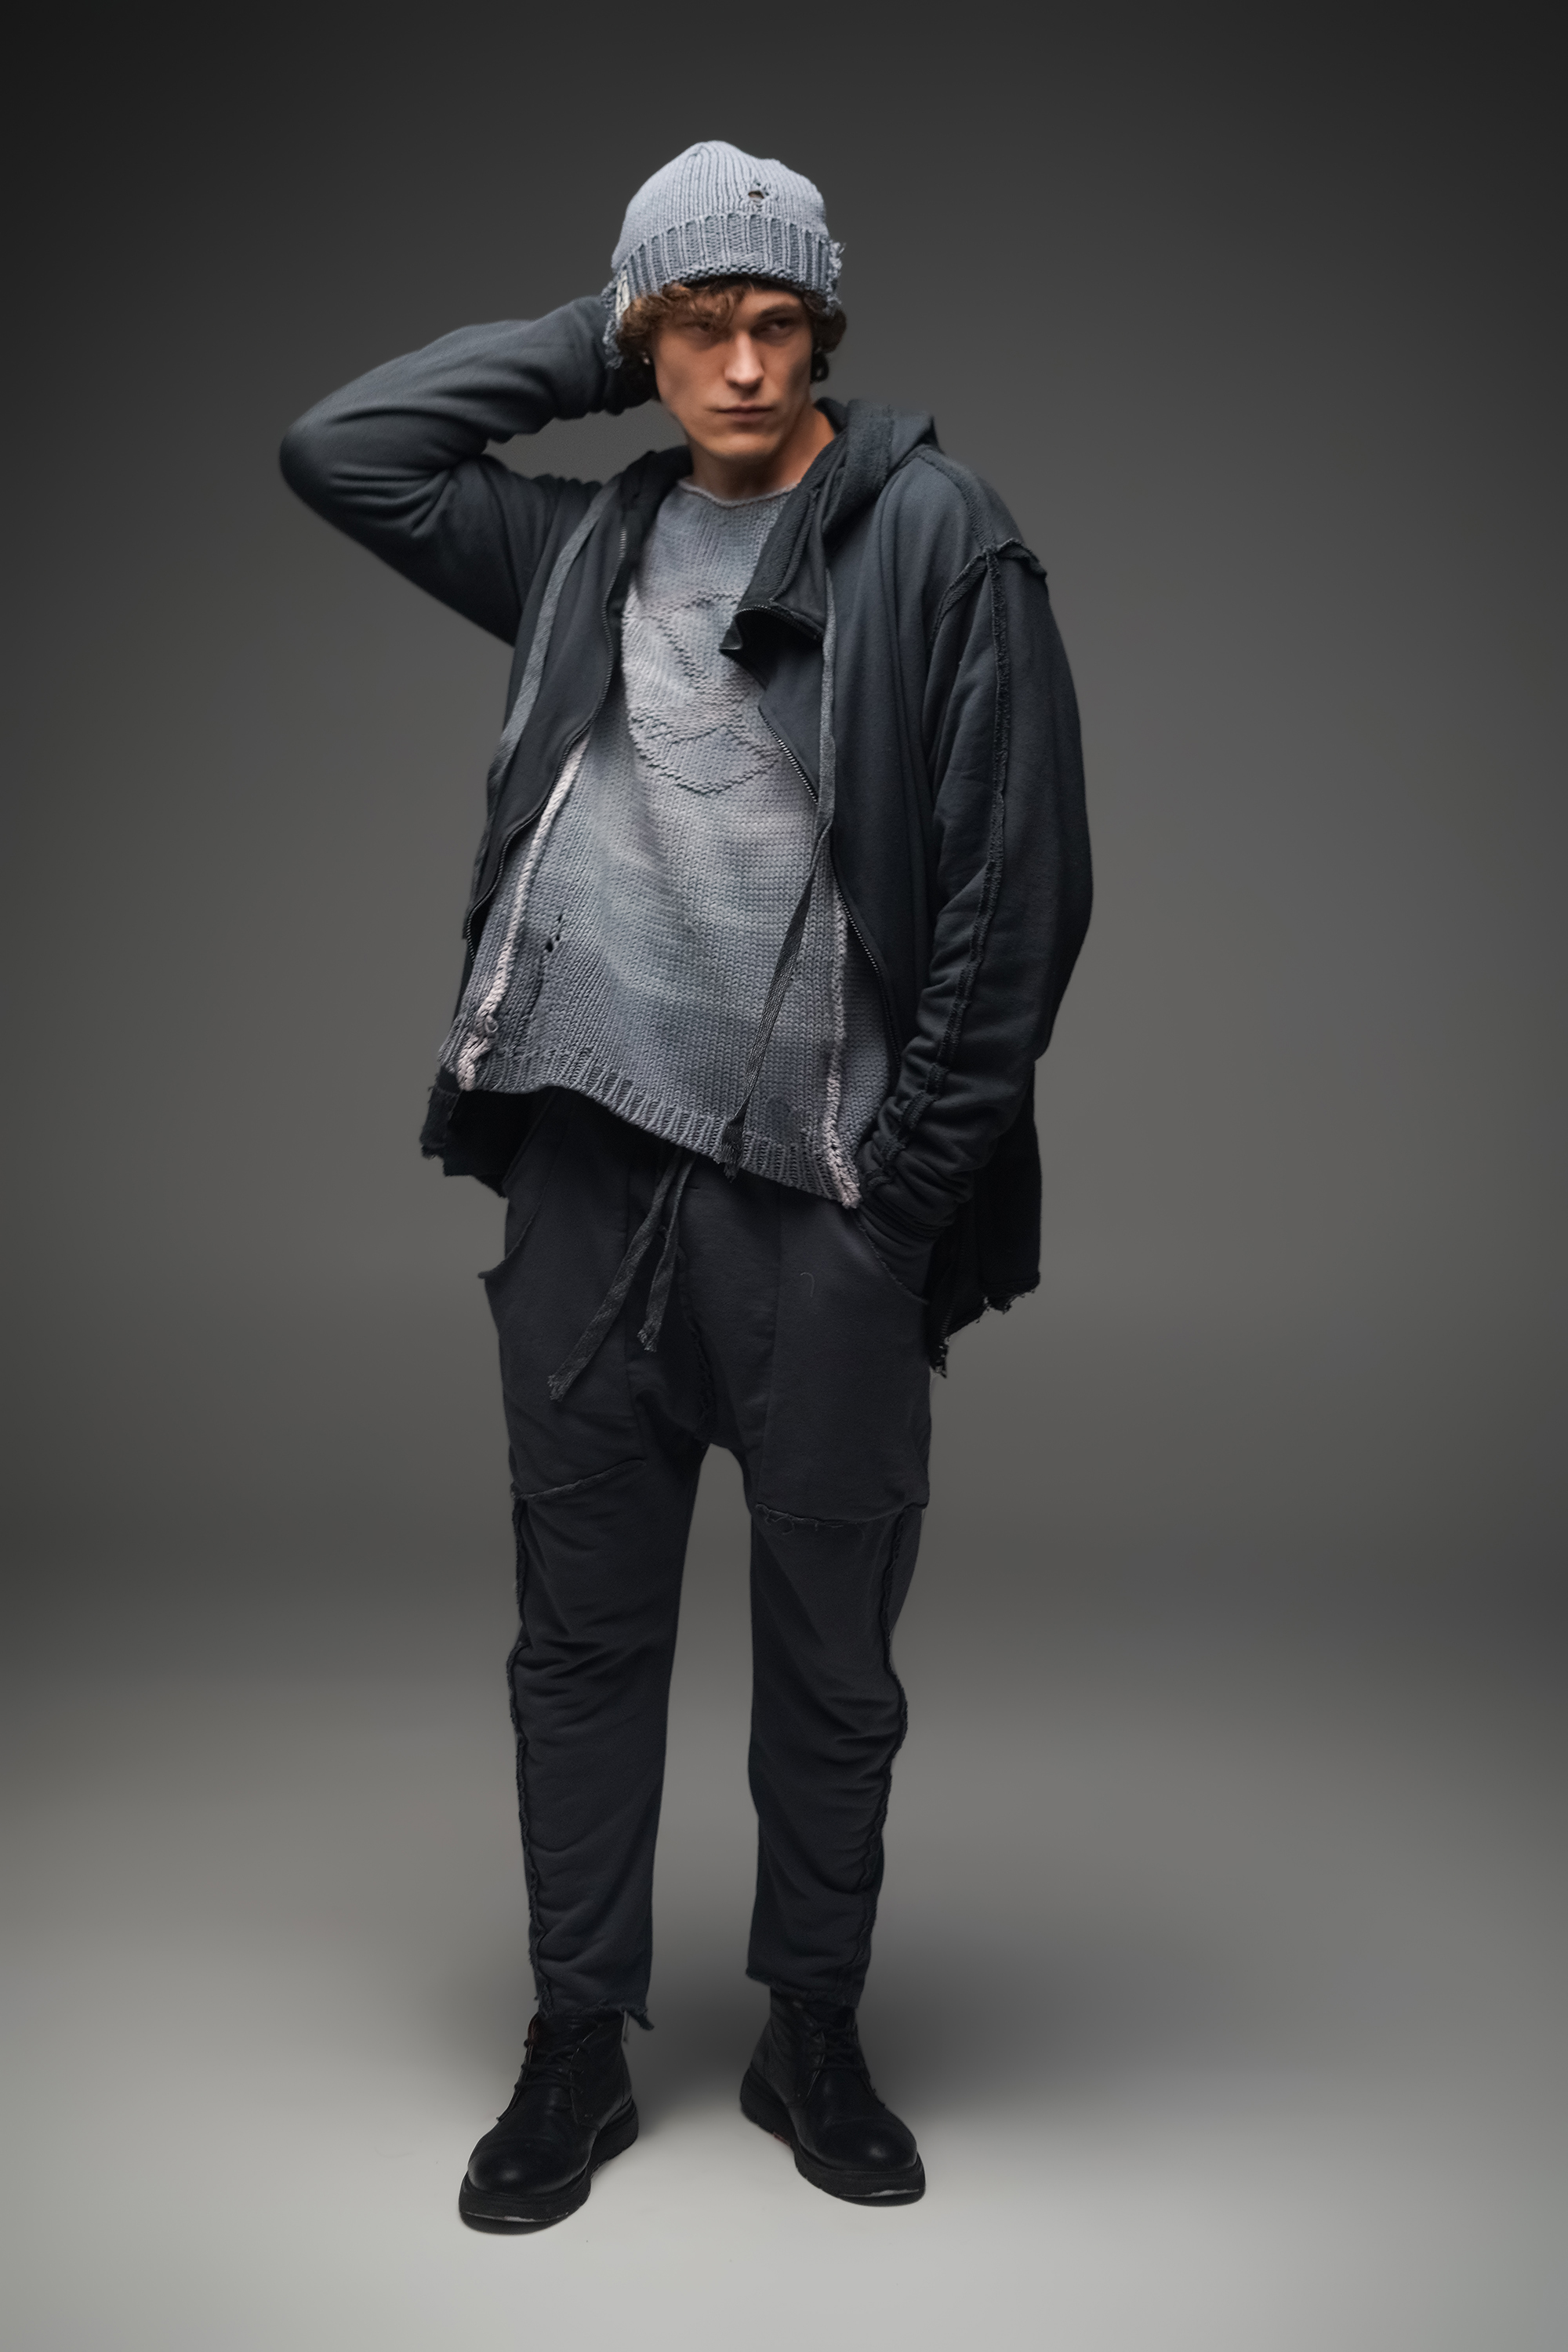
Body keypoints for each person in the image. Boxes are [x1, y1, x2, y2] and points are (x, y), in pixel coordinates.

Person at [281, 139, 1091, 2230]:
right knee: (579, 1638)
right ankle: (578, 2040)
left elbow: (1018, 897)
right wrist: (601, 331)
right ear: (646, 340)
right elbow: (345, 450)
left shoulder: (936, 537)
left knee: (833, 1658)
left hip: (822, 1202)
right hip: (583, 1178)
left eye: (775, 320)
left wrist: (900, 1209)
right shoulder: (580, 546)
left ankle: (814, 2027)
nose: (740, 362)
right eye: (697, 325)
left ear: (826, 333)